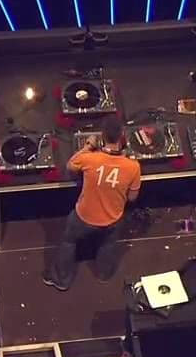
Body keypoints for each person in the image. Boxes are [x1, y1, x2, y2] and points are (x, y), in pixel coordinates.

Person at [43, 117, 141, 291]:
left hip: (84, 217)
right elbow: (132, 198)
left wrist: (88, 146)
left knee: (68, 241)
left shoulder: (90, 159)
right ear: (122, 137)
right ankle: (104, 274)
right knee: (107, 245)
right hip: (113, 219)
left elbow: (70, 165)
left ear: (102, 136)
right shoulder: (133, 167)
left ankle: (61, 280)